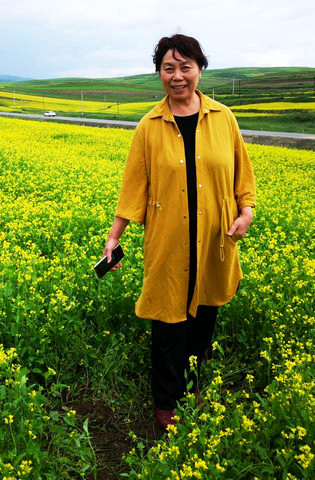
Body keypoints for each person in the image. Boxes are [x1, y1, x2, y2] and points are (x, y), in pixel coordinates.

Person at [102, 34, 256, 431]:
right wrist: (114, 237)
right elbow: (133, 187)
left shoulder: (224, 118)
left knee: (204, 315)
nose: (177, 76)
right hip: (169, 239)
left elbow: (243, 175)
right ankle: (167, 401)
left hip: (215, 238)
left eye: (185, 67)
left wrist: (247, 210)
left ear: (199, 69)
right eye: (168, 68)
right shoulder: (149, 126)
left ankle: (192, 387)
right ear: (159, 73)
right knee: (168, 320)